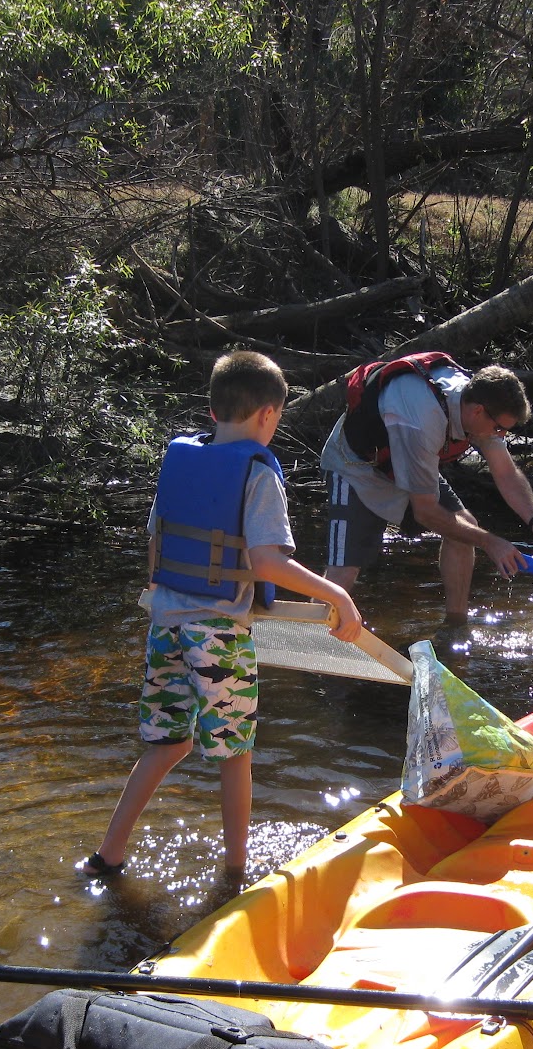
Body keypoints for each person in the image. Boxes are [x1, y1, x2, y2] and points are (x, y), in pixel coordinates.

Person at [80, 351, 364, 880]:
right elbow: (266, 562)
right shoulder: (257, 471)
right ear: (268, 415)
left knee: (167, 742)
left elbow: (156, 543)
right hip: (217, 633)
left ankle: (108, 855)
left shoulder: (182, 462)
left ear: (214, 412)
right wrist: (337, 597)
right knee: (236, 753)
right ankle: (237, 874)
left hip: (164, 623)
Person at [320, 353, 533, 621]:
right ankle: (311, 640)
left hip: (409, 462)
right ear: (477, 411)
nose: (501, 436)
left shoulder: (480, 407)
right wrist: (490, 542)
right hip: (357, 469)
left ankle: (455, 624)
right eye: (499, 429)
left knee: (464, 525)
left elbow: (506, 472)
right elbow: (424, 513)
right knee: (344, 571)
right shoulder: (423, 418)